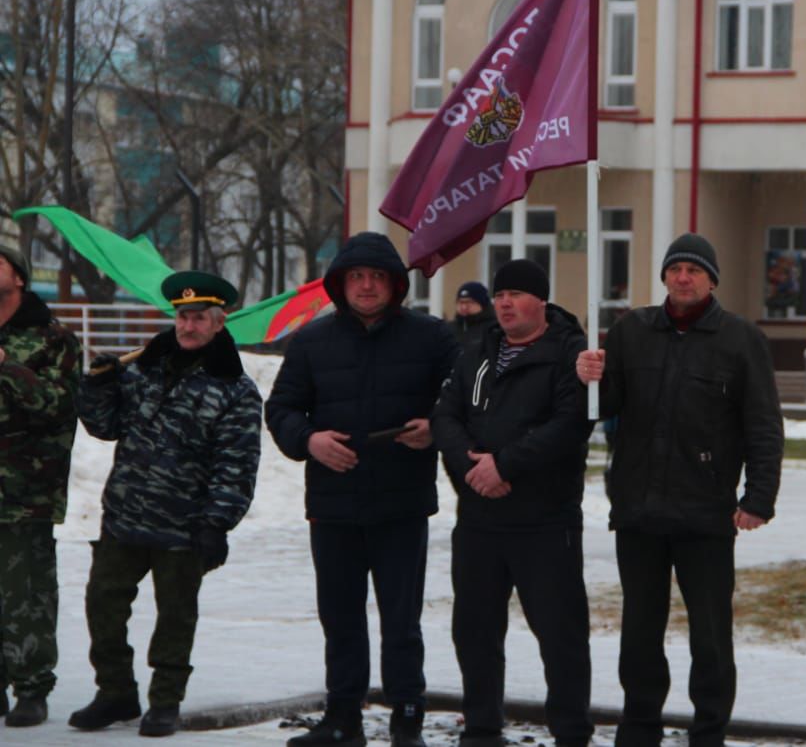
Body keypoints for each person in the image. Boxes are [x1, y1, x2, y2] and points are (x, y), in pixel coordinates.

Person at [575, 233, 783, 747]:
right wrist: (589, 379)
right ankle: (640, 726)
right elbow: (605, 409)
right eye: (675, 269)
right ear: (665, 277)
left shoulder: (740, 340)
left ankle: (708, 730)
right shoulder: (631, 332)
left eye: (694, 270)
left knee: (710, 636)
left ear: (712, 280)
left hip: (706, 513)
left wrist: (758, 498)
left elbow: (763, 424)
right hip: (639, 511)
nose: (683, 278)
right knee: (640, 632)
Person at [265, 232, 459, 747]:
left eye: (376, 277)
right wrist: (309, 440)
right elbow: (281, 409)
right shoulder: (311, 341)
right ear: (340, 284)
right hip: (333, 504)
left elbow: (464, 398)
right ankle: (342, 718)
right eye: (357, 277)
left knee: (402, 618)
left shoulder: (432, 337)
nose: (367, 286)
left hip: (401, 501)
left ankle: (407, 717)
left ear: (396, 284)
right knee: (341, 616)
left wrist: (435, 428)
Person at [70, 270, 262, 738]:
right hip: (125, 517)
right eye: (182, 316)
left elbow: (236, 466)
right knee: (103, 605)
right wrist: (97, 386)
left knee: (175, 617)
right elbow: (106, 426)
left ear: (219, 323)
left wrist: (216, 524)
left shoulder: (235, 389)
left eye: (199, 318)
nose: (188, 326)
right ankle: (116, 691)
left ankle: (165, 701)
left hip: (185, 526)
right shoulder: (144, 368)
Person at [432, 259, 594, 747]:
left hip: (545, 522)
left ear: (540, 302)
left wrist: (504, 466)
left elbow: (569, 426)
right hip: (480, 520)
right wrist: (471, 466)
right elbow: (445, 416)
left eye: (516, 295)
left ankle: (570, 731)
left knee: (560, 634)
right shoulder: (477, 350)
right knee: (475, 631)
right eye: (500, 295)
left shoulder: (570, 355)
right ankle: (481, 727)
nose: (504, 303)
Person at [0, 244, 81, 728]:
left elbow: (58, 404)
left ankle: (32, 686)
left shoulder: (54, 339)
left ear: (20, 279)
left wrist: (6, 365)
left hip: (25, 491)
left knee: (26, 592)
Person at [449, 281, 495, 350]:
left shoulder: (493, 329)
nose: (464, 307)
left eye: (469, 302)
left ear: (482, 304)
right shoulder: (449, 329)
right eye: (461, 302)